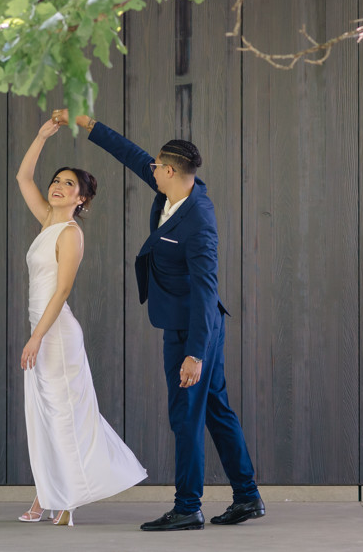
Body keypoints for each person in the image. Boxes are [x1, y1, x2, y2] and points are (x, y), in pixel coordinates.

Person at [55, 109, 265, 532]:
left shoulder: (199, 222)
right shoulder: (174, 187)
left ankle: (188, 507)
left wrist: (194, 355)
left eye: (156, 167)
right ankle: (247, 497)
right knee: (216, 410)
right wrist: (89, 124)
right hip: (183, 321)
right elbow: (131, 155)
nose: (150, 169)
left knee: (185, 414)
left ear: (170, 171)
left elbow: (207, 294)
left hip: (195, 328)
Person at [14, 116, 147, 527]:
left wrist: (36, 337)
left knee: (63, 414)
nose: (57, 186)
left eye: (69, 184)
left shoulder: (69, 233)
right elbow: (23, 176)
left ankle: (66, 501)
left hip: (54, 334)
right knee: (43, 415)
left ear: (82, 199)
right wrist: (40, 136)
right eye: (57, 180)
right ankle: (46, 494)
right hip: (41, 330)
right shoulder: (47, 221)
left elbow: (63, 291)